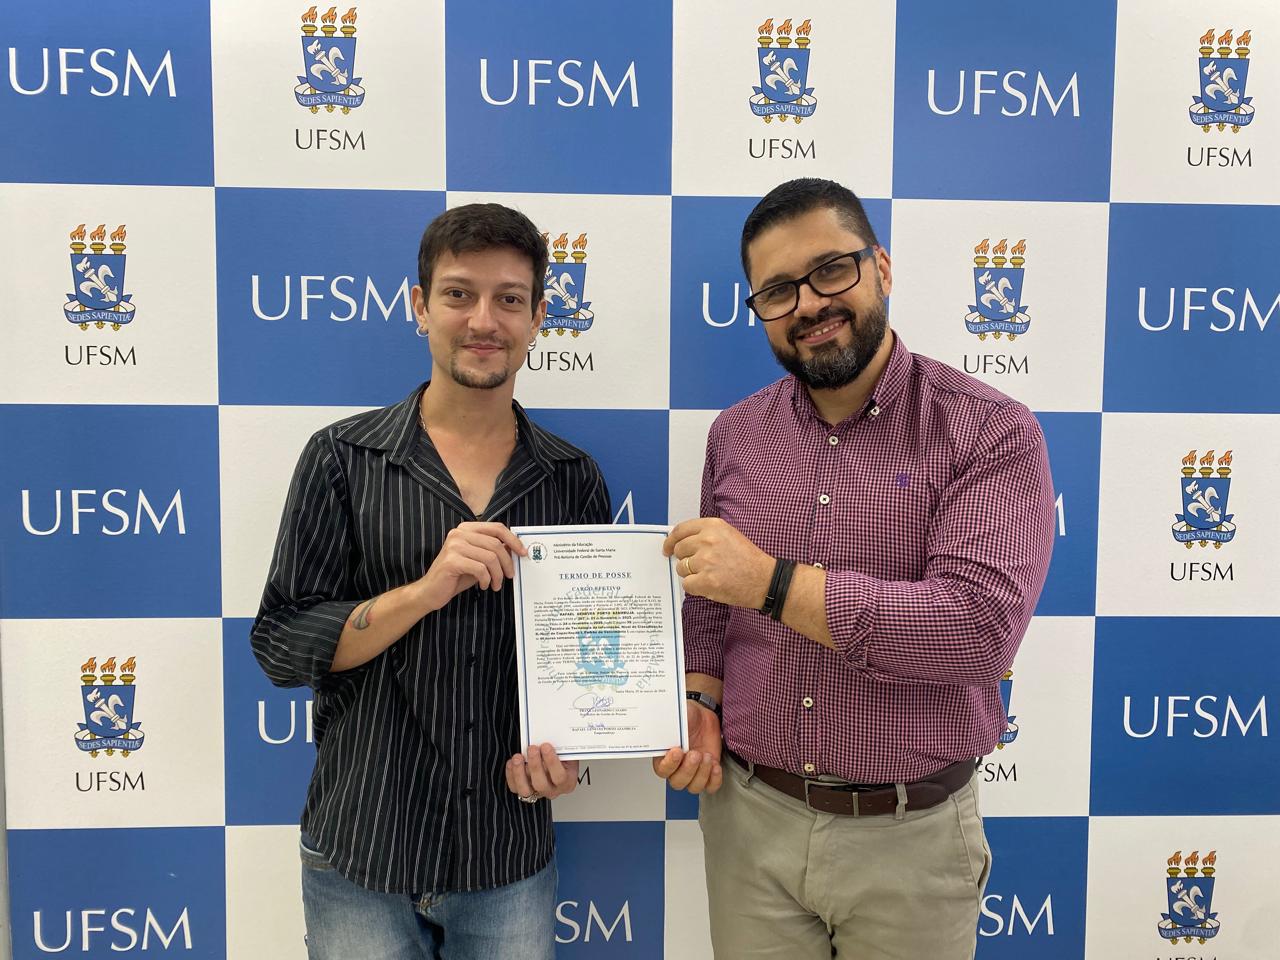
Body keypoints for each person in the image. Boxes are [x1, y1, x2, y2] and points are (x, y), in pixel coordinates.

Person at [656, 178, 1054, 959]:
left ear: (882, 267)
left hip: (912, 841)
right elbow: (710, 602)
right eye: (777, 290)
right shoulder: (735, 435)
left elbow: (977, 633)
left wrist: (773, 584)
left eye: (830, 270)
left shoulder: (990, 431)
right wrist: (700, 697)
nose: (808, 303)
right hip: (750, 824)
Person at [250, 203, 610, 960]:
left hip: (506, 851)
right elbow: (281, 644)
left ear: (539, 317)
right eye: (458, 294)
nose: (483, 320)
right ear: (419, 306)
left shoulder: (572, 478)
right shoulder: (341, 458)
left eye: (509, 298)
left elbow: (588, 665)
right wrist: (423, 591)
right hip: (362, 850)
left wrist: (572, 751)